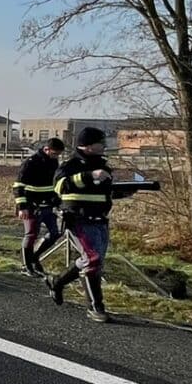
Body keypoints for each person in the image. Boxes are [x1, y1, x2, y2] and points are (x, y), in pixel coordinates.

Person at [48, 127, 115, 323]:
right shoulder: (70, 165)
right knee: (92, 260)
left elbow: (105, 192)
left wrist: (126, 190)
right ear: (88, 145)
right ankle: (95, 307)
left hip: (100, 220)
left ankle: (58, 282)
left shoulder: (104, 167)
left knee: (92, 261)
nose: (104, 146)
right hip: (77, 219)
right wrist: (89, 176)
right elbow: (59, 186)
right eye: (100, 142)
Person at [13, 136, 65, 279]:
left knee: (55, 233)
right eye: (54, 153)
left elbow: (54, 184)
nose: (56, 156)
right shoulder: (31, 163)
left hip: (48, 206)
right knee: (31, 235)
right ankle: (26, 266)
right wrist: (22, 207)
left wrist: (57, 200)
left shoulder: (54, 162)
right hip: (31, 206)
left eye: (58, 154)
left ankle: (34, 258)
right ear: (46, 149)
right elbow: (18, 186)